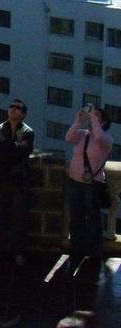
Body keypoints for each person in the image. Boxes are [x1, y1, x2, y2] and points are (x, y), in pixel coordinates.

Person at [0, 98, 34, 266]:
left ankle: (18, 252)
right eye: (11, 107)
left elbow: (24, 152)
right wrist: (14, 148)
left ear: (22, 114)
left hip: (18, 180)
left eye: (17, 108)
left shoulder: (28, 132)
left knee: (19, 218)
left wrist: (9, 149)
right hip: (1, 179)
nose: (13, 110)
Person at [66, 107, 113, 264]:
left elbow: (99, 137)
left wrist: (92, 117)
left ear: (103, 121)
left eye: (98, 116)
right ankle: (76, 249)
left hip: (93, 183)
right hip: (75, 181)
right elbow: (68, 137)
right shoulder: (82, 135)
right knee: (76, 217)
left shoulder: (106, 139)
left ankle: (94, 252)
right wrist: (78, 119)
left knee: (93, 218)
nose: (93, 118)